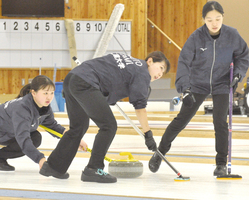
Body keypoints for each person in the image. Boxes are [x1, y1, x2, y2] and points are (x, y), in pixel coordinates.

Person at [148, 1, 249, 176]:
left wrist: (238, 75)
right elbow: (184, 62)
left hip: (222, 83)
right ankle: (159, 154)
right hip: (197, 83)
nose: (214, 23)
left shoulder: (232, 35)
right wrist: (184, 88)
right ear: (203, 19)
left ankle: (221, 164)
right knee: (181, 119)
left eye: (218, 18)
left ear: (223, 17)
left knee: (220, 122)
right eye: (210, 20)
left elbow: (243, 55)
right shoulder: (196, 37)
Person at [39, 51, 170, 183]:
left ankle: (53, 166)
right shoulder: (142, 73)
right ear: (150, 61)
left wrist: (107, 95)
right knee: (109, 126)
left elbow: (108, 74)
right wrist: (148, 134)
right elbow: (140, 108)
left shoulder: (129, 62)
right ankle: (93, 168)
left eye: (163, 74)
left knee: (78, 127)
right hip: (86, 83)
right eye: (161, 68)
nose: (160, 74)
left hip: (72, 79)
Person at [0, 75, 87, 175]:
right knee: (26, 139)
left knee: (35, 138)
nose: (49, 97)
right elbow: (23, 139)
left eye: (52, 93)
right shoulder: (22, 109)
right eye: (45, 93)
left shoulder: (44, 107)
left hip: (4, 133)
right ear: (33, 93)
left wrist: (74, 139)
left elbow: (53, 126)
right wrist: (40, 159)